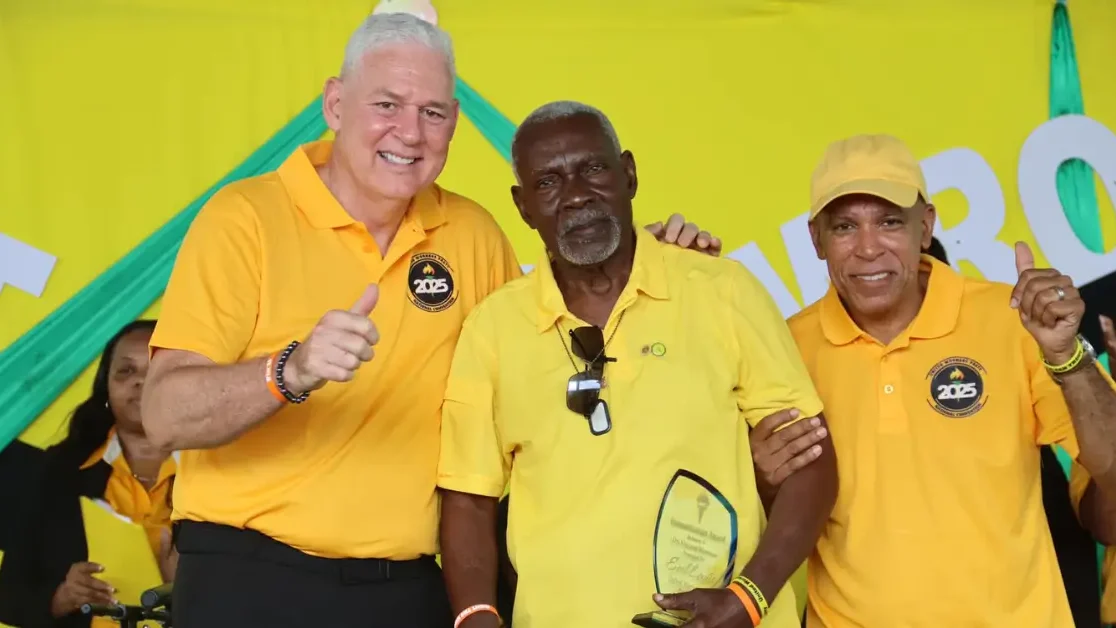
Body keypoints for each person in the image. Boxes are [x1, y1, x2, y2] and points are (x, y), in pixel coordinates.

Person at [139, 13, 719, 628]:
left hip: (408, 588)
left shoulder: (472, 233)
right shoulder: (245, 218)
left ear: (453, 125)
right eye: (387, 104)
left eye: (433, 113)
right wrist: (293, 368)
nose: (410, 133)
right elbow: (164, 414)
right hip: (252, 580)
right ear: (335, 104)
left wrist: (640, 264)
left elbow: (562, 361)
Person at [436, 100, 837, 628]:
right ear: (523, 205)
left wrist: (749, 599)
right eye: (549, 182)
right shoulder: (492, 329)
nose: (576, 194)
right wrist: (474, 616)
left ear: (628, 173)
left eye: (593, 168)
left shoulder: (722, 291)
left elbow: (811, 461)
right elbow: (467, 497)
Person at [761, 132, 1116, 626]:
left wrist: (1067, 356)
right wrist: (761, 475)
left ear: (924, 227)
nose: (867, 248)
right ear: (816, 239)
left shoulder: (1011, 317)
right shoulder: (783, 348)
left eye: (889, 222)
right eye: (844, 226)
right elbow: (754, 510)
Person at [0, 320, 177, 628]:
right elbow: (8, 597)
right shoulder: (57, 472)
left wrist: (192, 587)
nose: (139, 382)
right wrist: (64, 596)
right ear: (106, 385)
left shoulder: (225, 474)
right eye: (126, 370)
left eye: (155, 370)